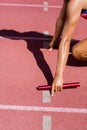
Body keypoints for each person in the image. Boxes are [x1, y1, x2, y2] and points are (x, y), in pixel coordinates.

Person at [49, 0, 87, 96]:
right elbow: (61, 19)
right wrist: (54, 40)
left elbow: (66, 40)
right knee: (77, 51)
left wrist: (59, 76)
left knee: (78, 52)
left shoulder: (76, 1)